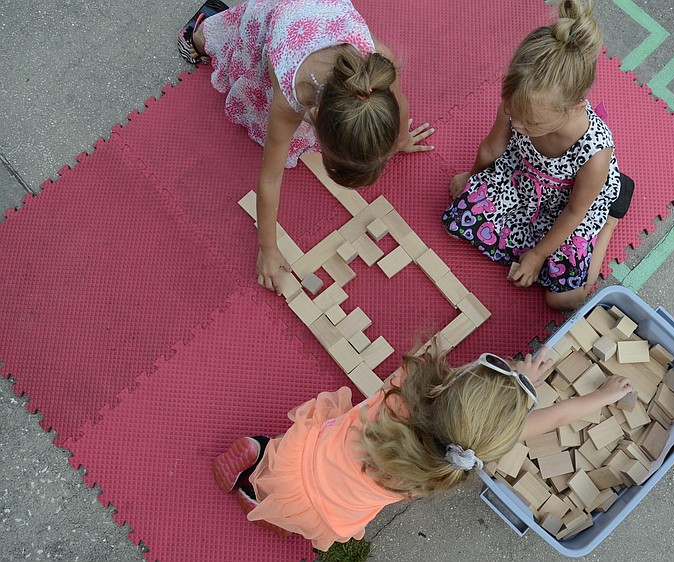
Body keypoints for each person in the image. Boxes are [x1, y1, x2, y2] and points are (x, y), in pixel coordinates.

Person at [211, 344, 633, 550]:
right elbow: (552, 419)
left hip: (302, 458)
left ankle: (262, 453)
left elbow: (453, 390)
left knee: (300, 449)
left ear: (446, 387)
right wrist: (603, 396)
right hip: (327, 511)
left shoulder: (400, 394)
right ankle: (260, 500)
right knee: (300, 513)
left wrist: (514, 381)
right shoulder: (441, 469)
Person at [177, 0, 435, 295]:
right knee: (223, 40)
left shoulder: (377, 71)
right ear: (314, 118)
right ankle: (198, 31)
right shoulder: (290, 99)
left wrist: (401, 139)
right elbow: (270, 178)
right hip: (277, 19)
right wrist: (268, 249)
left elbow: (399, 101)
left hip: (318, 14)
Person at [442, 0, 634, 311]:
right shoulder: (519, 105)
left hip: (570, 206)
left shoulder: (596, 153)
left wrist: (538, 255)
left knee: (564, 299)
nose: (517, 125)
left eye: (531, 123)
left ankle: (611, 219)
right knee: (457, 218)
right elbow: (492, 148)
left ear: (574, 109)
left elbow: (574, 212)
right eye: (514, 114)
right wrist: (471, 177)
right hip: (522, 179)